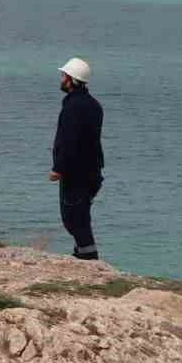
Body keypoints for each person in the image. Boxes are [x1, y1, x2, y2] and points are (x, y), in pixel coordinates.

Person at [50, 57, 105, 261]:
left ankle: (88, 258)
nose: (61, 78)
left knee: (73, 219)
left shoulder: (73, 107)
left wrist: (58, 168)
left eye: (63, 76)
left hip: (76, 175)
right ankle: (82, 254)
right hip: (92, 173)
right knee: (80, 216)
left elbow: (68, 142)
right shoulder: (94, 105)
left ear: (72, 80)